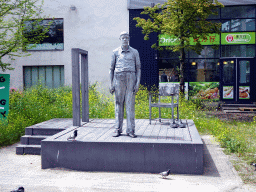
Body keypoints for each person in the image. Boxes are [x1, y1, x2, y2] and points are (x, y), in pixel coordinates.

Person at [109, 31, 141, 138]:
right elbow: (111, 69)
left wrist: (137, 83)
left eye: (127, 37)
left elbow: (138, 68)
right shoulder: (115, 52)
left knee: (130, 105)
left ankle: (130, 130)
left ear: (129, 39)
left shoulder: (135, 52)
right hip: (118, 78)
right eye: (123, 38)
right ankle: (117, 129)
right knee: (118, 104)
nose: (125, 39)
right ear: (120, 39)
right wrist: (111, 83)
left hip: (131, 78)